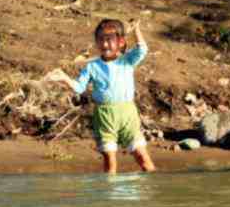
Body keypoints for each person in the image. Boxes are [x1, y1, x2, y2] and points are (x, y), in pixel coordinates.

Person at [47, 18, 155, 174]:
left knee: (143, 159)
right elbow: (79, 88)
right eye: (101, 40)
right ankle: (109, 195)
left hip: (128, 115)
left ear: (121, 42)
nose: (104, 44)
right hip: (104, 116)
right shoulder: (92, 66)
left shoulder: (127, 60)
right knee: (110, 163)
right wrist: (65, 78)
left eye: (109, 40)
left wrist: (137, 29)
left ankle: (150, 193)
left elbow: (142, 49)